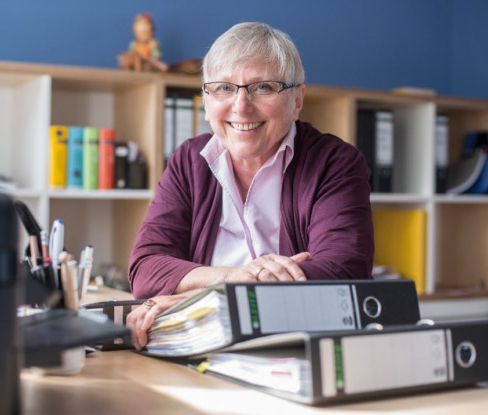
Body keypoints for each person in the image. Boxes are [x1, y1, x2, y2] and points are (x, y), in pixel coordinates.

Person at [126, 22, 374, 350]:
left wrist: (202, 302)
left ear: (297, 99)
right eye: (224, 88)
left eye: (263, 87)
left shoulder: (335, 162)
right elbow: (146, 268)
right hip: (202, 352)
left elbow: (342, 272)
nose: (241, 106)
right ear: (205, 99)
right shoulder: (189, 160)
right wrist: (233, 278)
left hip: (299, 355)